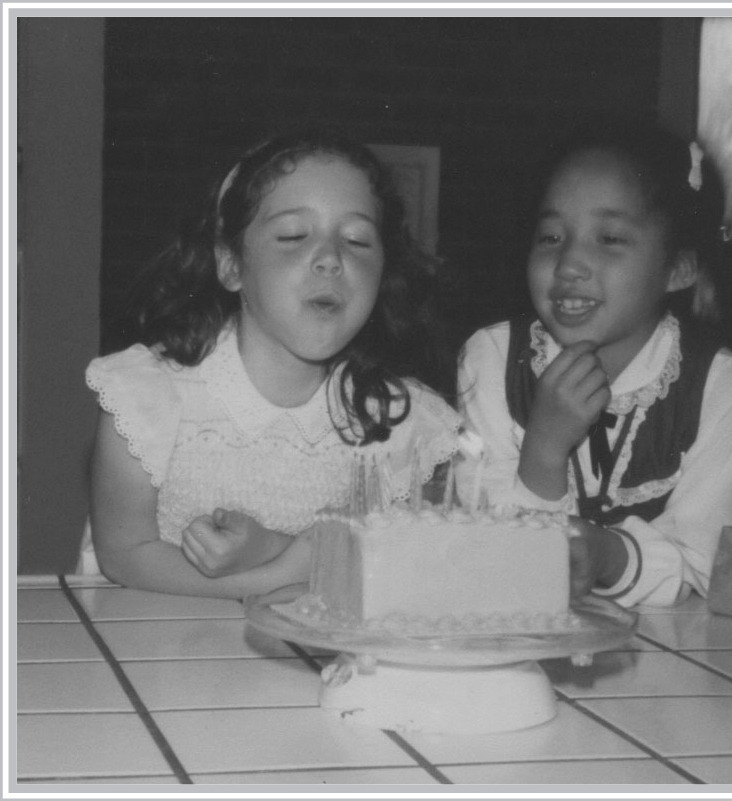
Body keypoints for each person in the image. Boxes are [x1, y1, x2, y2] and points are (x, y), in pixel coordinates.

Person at [83, 130, 461, 598]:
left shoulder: (403, 423)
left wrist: (275, 548)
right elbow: (125, 555)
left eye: (358, 240)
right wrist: (280, 574)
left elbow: (414, 565)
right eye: (293, 235)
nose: (330, 259)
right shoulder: (146, 396)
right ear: (231, 264)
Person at [457, 119, 732, 607]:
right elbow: (481, 551)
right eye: (551, 237)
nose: (569, 264)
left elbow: (701, 568)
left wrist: (608, 556)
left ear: (679, 269)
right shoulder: (492, 358)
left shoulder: (719, 384)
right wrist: (544, 451)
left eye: (610, 239)